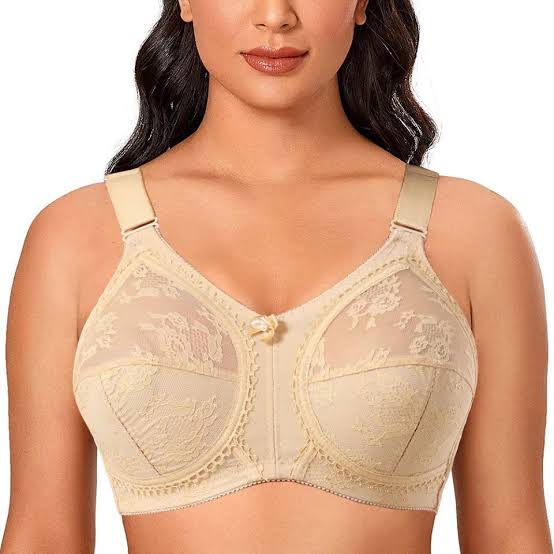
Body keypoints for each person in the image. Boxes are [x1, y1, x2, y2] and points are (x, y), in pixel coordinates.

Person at [2, 1, 552, 553]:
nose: (275, 16)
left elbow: (510, 534)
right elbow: (42, 536)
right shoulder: (75, 238)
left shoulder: (472, 232)